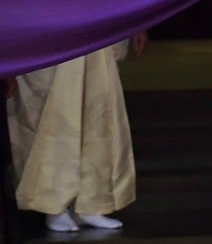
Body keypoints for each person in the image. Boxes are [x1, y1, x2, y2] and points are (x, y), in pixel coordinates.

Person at [6, 33, 147, 233]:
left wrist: (136, 26)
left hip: (94, 20)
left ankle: (91, 202)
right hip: (46, 21)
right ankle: (54, 205)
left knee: (97, 110)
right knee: (52, 115)